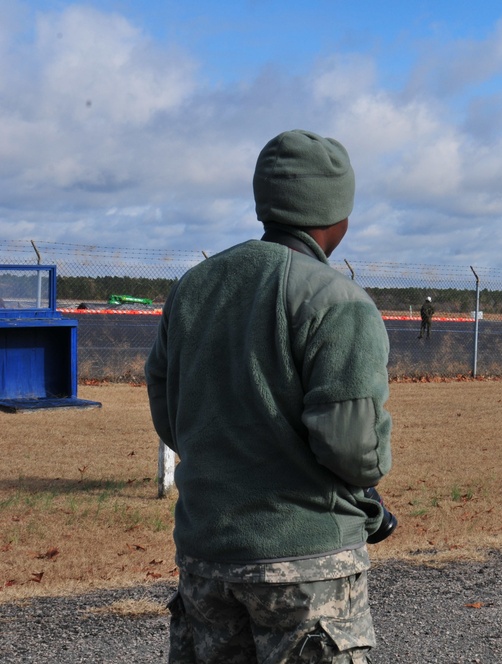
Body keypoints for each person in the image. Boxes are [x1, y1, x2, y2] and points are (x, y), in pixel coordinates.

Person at [145, 129, 393, 663]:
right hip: (305, 565)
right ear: (337, 214)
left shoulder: (195, 287)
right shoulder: (336, 301)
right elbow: (354, 450)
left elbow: (170, 409)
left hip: (206, 555)